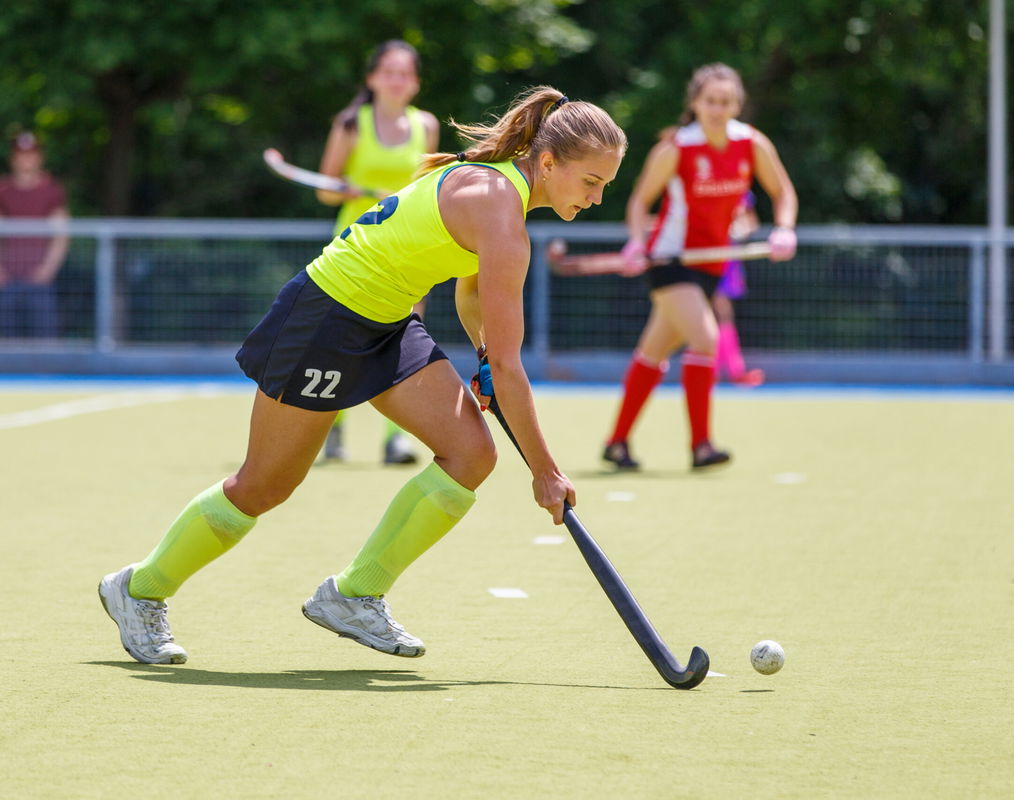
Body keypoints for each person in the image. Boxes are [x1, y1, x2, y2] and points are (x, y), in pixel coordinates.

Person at [98, 87, 626, 665]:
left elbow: (474, 296)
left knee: (471, 454)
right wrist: (546, 471)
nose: (598, 198)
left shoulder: (502, 194)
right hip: (325, 316)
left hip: (388, 321)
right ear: (548, 162)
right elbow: (509, 363)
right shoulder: (499, 210)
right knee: (264, 485)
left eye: (605, 185)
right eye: (592, 182)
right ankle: (138, 589)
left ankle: (354, 595)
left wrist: (479, 359)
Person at [603, 63, 797, 471]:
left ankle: (617, 443)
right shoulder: (676, 148)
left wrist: (784, 228)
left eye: (726, 101)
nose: (717, 108)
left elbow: (782, 192)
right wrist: (638, 241)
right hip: (671, 260)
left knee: (653, 350)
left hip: (711, 263)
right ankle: (701, 446)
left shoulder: (751, 144)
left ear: (737, 105)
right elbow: (640, 202)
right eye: (710, 101)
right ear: (695, 103)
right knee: (705, 339)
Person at [316, 40, 440, 465]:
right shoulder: (351, 123)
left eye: (405, 73)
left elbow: (429, 187)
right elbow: (324, 190)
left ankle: (397, 439)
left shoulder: (426, 126)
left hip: (407, 247)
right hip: (353, 249)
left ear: (416, 83)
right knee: (339, 339)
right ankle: (330, 432)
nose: (396, 81)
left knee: (403, 339)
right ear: (372, 79)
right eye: (388, 72)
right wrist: (346, 189)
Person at [0, 131, 69, 339]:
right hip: (6, 279)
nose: (26, 159)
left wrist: (48, 269)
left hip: (39, 279)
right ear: (13, 158)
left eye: (31, 153)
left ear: (39, 157)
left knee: (45, 341)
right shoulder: (2, 190)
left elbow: (61, 235)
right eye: (21, 154)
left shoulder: (51, 190)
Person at [712, 191, 765, 386]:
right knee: (718, 314)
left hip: (728, 259)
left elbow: (751, 221)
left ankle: (721, 370)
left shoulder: (741, 191)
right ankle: (729, 370)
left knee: (722, 314)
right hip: (708, 255)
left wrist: (741, 229)